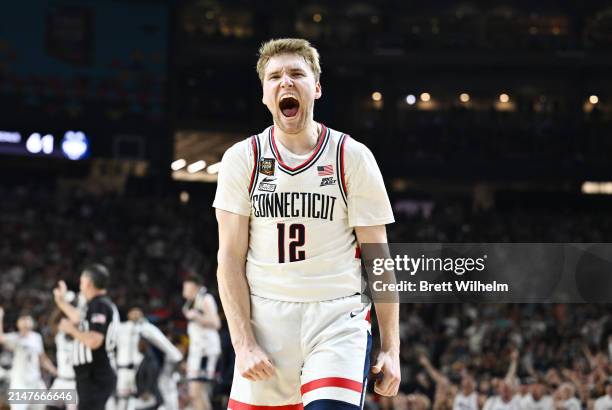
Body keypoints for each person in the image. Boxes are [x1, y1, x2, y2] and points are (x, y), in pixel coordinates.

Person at [213, 38, 400, 409]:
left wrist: (392, 347)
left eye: (297, 73)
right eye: (274, 76)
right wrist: (243, 343)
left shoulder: (352, 157)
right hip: (266, 321)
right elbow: (229, 260)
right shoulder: (242, 159)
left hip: (336, 318)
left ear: (316, 87)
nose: (285, 82)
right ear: (264, 93)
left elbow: (379, 259)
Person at [54, 264, 120, 410]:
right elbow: (79, 317)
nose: (80, 285)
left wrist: (71, 329)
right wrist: (61, 302)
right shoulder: (96, 305)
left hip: (96, 373)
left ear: (89, 283)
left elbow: (94, 341)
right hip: (92, 375)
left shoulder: (99, 305)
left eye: (81, 281)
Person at [115, 306, 183, 410]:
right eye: (133, 312)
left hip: (148, 379)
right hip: (123, 375)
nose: (135, 315)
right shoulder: (121, 328)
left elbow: (171, 351)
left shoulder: (146, 328)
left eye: (138, 312)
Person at [0, 308, 57, 410]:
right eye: (23, 320)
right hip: (20, 383)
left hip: (35, 381)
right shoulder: (14, 338)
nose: (26, 323)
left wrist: (54, 370)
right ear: (18, 323)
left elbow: (42, 358)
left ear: (32, 323)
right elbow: (1, 338)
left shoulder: (37, 337)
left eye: (28, 320)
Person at [182, 273, 222, 410]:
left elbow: (216, 323)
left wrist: (197, 316)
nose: (185, 290)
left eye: (187, 287)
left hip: (205, 351)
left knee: (196, 392)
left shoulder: (206, 298)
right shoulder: (192, 301)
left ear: (195, 286)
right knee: (199, 394)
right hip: (197, 351)